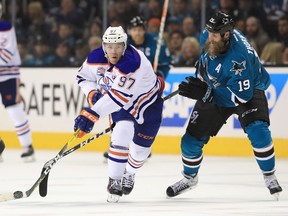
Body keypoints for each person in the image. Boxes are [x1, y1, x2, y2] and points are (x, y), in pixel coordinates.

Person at [166, 11, 282, 199]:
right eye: (208, 32)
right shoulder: (211, 35)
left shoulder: (238, 60)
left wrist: (207, 93)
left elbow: (241, 98)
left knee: (258, 130)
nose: (209, 37)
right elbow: (206, 58)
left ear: (226, 35)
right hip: (218, 85)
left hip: (249, 88)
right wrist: (201, 81)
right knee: (190, 140)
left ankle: (269, 175)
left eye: (214, 35)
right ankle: (189, 178)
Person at [74, 26, 164, 202]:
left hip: (149, 103)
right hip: (122, 103)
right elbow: (83, 77)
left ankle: (130, 173)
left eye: (118, 46)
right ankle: (114, 181)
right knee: (122, 132)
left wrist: (91, 115)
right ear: (103, 46)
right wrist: (92, 94)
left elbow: (117, 98)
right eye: (109, 46)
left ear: (125, 46)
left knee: (140, 152)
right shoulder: (94, 58)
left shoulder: (132, 62)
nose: (113, 51)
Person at [102, 15, 171, 159]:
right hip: (125, 85)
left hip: (146, 88)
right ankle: (117, 144)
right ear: (129, 31)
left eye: (140, 29)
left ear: (144, 30)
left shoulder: (156, 42)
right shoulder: (123, 44)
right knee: (118, 111)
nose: (137, 33)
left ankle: (140, 147)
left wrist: (158, 74)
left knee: (144, 116)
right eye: (134, 29)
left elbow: (166, 64)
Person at [0, 3, 35, 162]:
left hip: (7, 75)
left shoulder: (5, 27)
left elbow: (8, 53)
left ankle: (27, 146)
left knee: (14, 109)